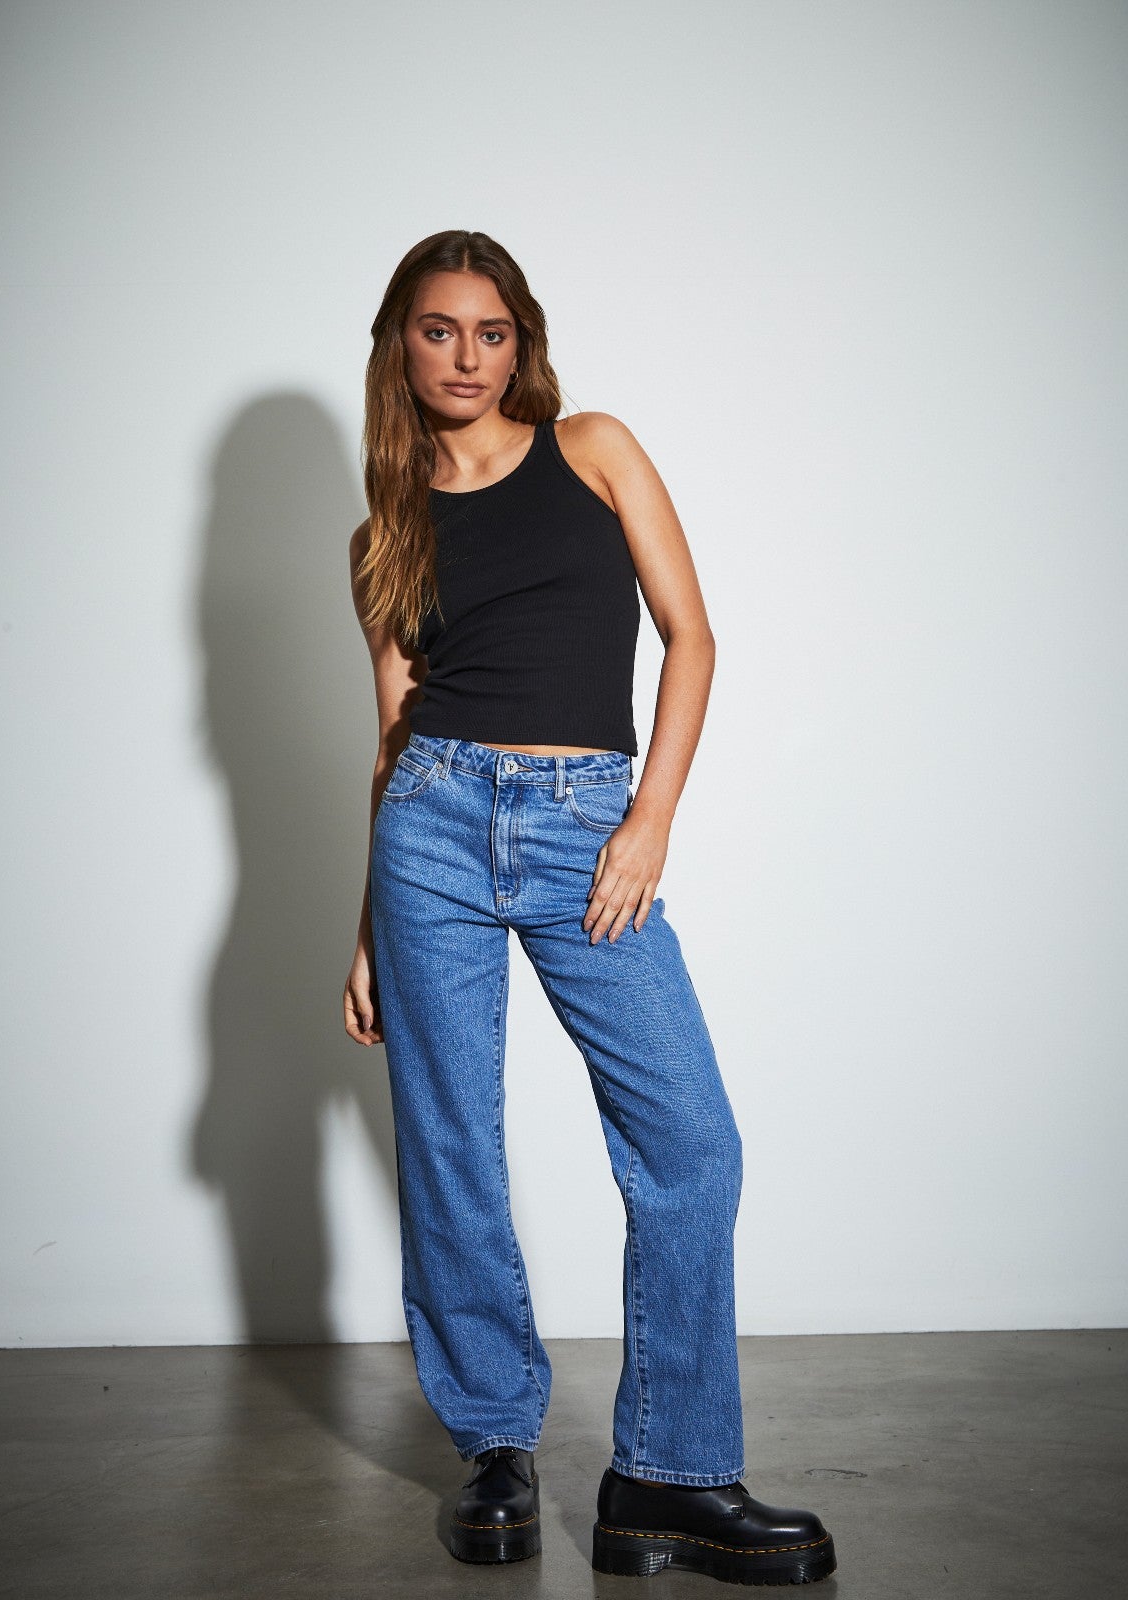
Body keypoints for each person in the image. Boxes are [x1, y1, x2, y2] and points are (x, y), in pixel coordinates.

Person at [343, 229, 838, 1587]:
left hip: (586, 826)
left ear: (523, 344)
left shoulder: (593, 449)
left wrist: (649, 820)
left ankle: (666, 1475)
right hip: (430, 828)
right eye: (439, 330)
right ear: (400, 345)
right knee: (451, 1144)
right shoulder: (383, 534)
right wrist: (367, 923)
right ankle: (496, 1451)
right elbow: (391, 736)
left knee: (690, 1142)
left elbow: (693, 636)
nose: (466, 356)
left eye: (491, 332)